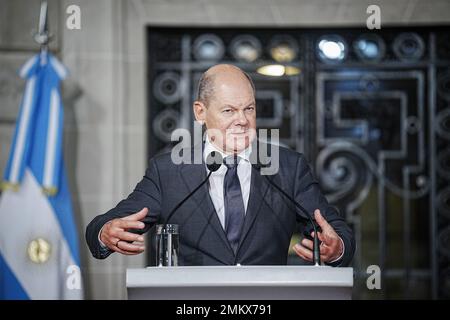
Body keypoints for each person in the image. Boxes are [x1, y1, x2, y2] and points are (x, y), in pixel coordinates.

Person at [85, 64, 355, 266]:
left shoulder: (288, 168)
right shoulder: (168, 172)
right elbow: (104, 225)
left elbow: (336, 230)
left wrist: (338, 247)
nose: (242, 120)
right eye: (229, 110)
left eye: (249, 109)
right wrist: (105, 233)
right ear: (200, 112)